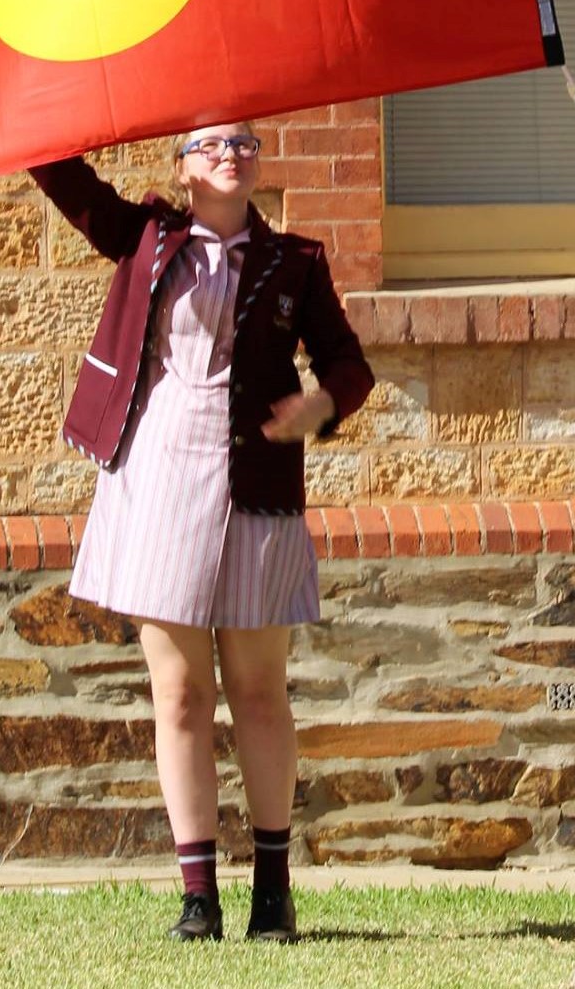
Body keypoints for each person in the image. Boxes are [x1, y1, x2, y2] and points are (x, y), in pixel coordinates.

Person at [30, 122, 374, 943]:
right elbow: (62, 174)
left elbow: (348, 364)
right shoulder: (146, 236)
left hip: (257, 482)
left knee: (258, 688)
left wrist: (322, 405)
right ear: (182, 166)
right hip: (158, 475)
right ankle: (198, 894)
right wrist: (45, 103)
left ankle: (272, 891)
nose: (232, 153)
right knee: (180, 691)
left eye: (246, 141)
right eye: (212, 143)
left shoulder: (296, 261)